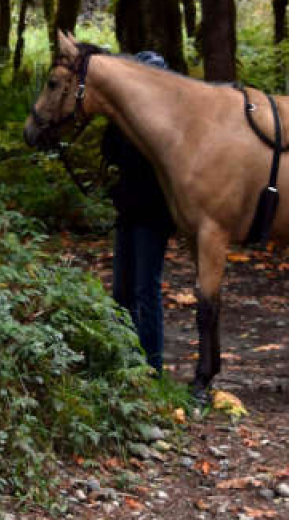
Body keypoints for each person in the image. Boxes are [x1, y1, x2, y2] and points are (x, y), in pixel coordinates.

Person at [102, 51, 178, 374]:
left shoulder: (167, 122)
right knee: (122, 291)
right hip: (129, 213)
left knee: (145, 289)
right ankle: (127, 360)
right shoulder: (126, 118)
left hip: (152, 217)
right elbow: (109, 152)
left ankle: (152, 367)